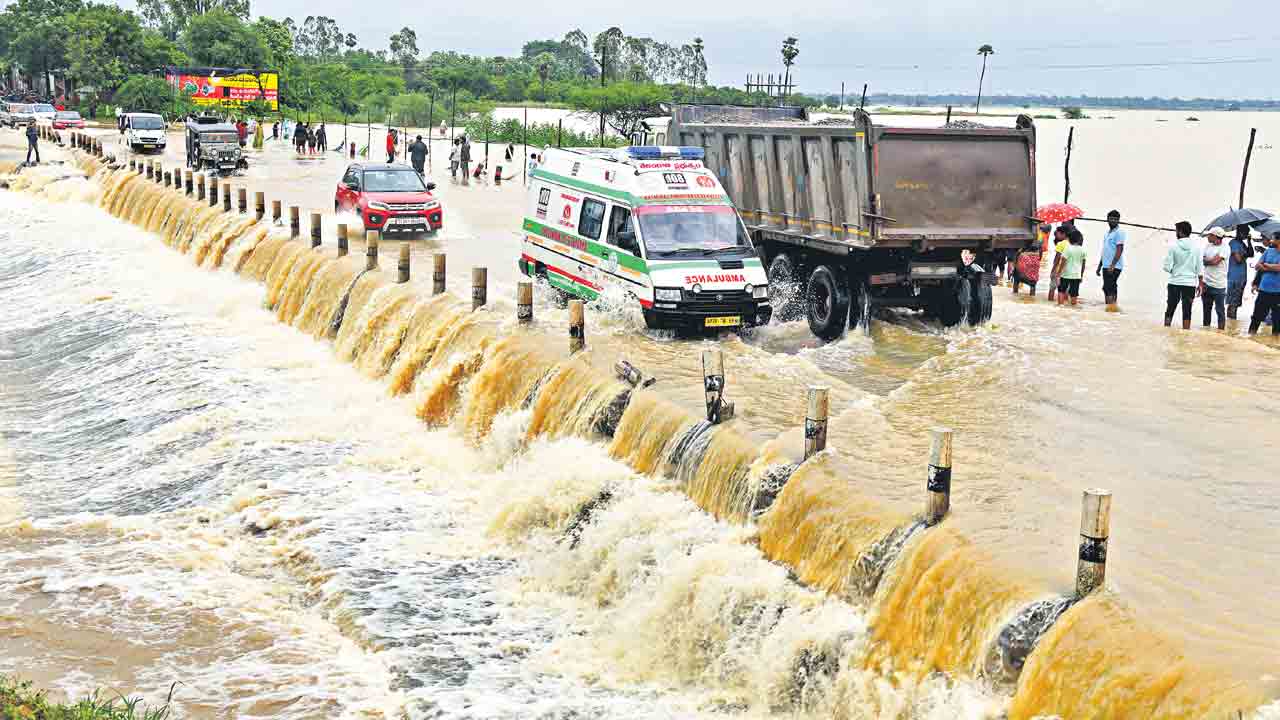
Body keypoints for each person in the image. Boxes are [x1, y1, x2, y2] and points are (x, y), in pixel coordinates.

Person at [1163, 221, 1203, 330]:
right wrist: (1200, 284)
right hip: (1190, 283)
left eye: (1176, 231)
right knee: (1187, 310)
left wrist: (1174, 271)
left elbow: (1166, 266)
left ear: (1180, 232)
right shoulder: (1196, 248)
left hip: (1175, 282)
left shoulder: (1173, 246)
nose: (1176, 233)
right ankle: (1186, 333)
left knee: (1170, 308)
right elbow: (1200, 268)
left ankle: (1166, 330)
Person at [1200, 227, 1230, 330]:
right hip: (1206, 283)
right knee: (1206, 311)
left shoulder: (1225, 248)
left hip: (1219, 285)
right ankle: (1205, 331)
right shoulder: (1208, 246)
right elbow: (1203, 261)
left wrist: (1209, 261)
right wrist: (1210, 260)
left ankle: (1221, 334)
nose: (1208, 237)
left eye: (1210, 235)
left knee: (1220, 312)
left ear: (1215, 236)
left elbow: (1214, 262)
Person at [1251, 234, 1280, 335]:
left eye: (1274, 238)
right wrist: (1270, 267)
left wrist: (1266, 265)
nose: (1272, 240)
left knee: (1277, 320)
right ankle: (1250, 338)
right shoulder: (1268, 251)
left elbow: (1278, 268)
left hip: (1278, 292)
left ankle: (1275, 343)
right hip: (1264, 290)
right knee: (1256, 317)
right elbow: (1257, 266)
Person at [1096, 210, 1126, 309]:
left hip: (1115, 265)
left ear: (1118, 220)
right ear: (1107, 219)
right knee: (1109, 287)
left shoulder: (1119, 232)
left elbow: (1120, 249)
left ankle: (1111, 307)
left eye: (1115, 219)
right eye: (1111, 218)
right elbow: (1105, 250)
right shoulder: (1107, 233)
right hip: (1105, 264)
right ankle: (1111, 307)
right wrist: (1099, 266)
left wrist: (1112, 265)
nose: (1113, 221)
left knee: (1108, 287)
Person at [1227, 225, 1252, 319]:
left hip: (1241, 277)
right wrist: (1244, 254)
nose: (1246, 235)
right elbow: (1238, 259)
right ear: (1241, 233)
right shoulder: (1233, 243)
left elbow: (1251, 253)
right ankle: (1231, 322)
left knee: (1236, 302)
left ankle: (1231, 323)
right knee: (1233, 303)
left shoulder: (1242, 243)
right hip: (1235, 278)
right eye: (1246, 233)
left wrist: (1249, 241)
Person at [1057, 228, 1087, 306]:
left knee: (1061, 291)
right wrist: (1081, 275)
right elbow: (1083, 264)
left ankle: (1060, 306)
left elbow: (1063, 262)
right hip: (1076, 275)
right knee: (1074, 294)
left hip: (1066, 274)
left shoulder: (1068, 249)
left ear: (1070, 239)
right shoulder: (1082, 250)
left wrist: (1058, 273)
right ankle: (1073, 308)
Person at [1047, 225, 1069, 302]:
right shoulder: (1071, 244)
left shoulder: (1061, 244)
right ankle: (1065, 303)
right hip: (1067, 270)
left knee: (1052, 287)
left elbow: (1057, 258)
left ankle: (1050, 301)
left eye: (1058, 233)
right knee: (1065, 289)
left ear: (1063, 234)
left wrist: (1053, 270)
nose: (1057, 235)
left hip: (1058, 268)